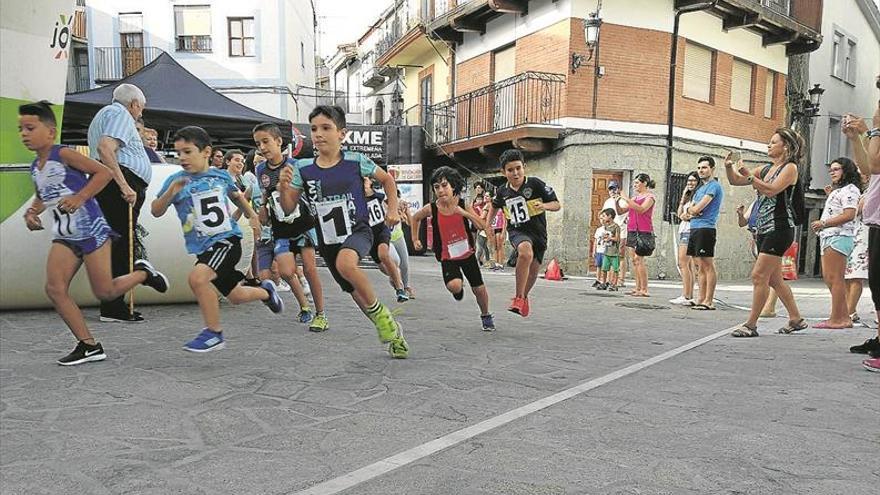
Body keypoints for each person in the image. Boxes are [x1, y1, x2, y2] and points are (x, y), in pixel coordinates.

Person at [20, 101, 169, 365]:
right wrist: (32, 212)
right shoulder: (36, 166)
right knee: (55, 289)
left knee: (106, 291)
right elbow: (44, 195)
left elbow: (104, 173)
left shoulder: (63, 154)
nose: (24, 134)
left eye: (30, 127)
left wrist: (79, 198)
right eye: (21, 129)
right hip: (65, 234)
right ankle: (88, 345)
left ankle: (143, 273)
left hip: (91, 227)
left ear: (51, 132)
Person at [278, 105, 409, 359]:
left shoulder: (355, 160)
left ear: (342, 133)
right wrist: (284, 187)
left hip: (359, 231)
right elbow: (288, 207)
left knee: (347, 264)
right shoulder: (303, 168)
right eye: (314, 128)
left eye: (326, 128)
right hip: (328, 240)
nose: (319, 134)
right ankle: (394, 331)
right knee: (355, 293)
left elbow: (388, 180)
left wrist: (392, 208)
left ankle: (383, 315)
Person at [151, 126, 283, 352]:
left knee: (197, 279)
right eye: (179, 152)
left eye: (188, 151)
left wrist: (252, 216)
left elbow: (237, 195)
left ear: (206, 152)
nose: (182, 158)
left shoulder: (219, 176)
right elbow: (156, 211)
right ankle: (266, 292)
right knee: (236, 295)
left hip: (225, 240)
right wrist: (170, 192)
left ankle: (214, 333)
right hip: (204, 248)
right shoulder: (176, 180)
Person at [725, 128, 806, 337]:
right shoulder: (766, 168)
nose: (768, 145)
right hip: (763, 228)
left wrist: (749, 176)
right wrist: (728, 167)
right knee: (775, 279)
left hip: (779, 228)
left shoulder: (790, 168)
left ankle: (751, 325)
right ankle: (795, 318)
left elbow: (770, 190)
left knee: (759, 275)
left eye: (773, 142)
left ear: (785, 146)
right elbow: (736, 180)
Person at [87, 83, 152, 323]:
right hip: (119, 185)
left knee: (117, 243)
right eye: (141, 108)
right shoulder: (119, 114)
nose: (141, 113)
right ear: (134, 104)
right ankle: (114, 306)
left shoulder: (104, 114)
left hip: (110, 184)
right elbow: (106, 148)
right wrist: (125, 186)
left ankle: (113, 303)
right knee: (122, 243)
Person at [253, 122, 328, 331]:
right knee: (286, 272)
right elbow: (266, 197)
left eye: (266, 141)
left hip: (303, 224)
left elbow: (311, 191)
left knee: (311, 269)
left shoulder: (297, 165)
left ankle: (321, 314)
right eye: (258, 144)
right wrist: (264, 208)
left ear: (278, 141)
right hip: (281, 228)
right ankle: (305, 307)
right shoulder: (260, 169)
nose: (263, 147)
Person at [411, 166, 495, 330]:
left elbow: (481, 225)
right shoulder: (432, 208)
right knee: (454, 286)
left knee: (479, 288)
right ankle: (458, 288)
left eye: (444, 185)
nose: (441, 190)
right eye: (436, 187)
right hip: (447, 256)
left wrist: (464, 213)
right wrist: (415, 239)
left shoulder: (463, 204)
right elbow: (415, 218)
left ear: (453, 186)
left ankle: (486, 315)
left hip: (467, 254)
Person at [486, 149, 561, 317]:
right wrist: (488, 225)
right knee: (525, 253)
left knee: (534, 270)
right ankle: (518, 296)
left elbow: (557, 204)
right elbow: (494, 206)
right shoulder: (502, 191)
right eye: (510, 170)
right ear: (503, 172)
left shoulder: (535, 184)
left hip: (539, 232)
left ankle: (524, 298)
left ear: (524, 167)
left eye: (518, 168)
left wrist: (544, 206)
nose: (515, 173)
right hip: (518, 230)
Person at [843, 98, 880, 371]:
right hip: (876, 218)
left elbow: (875, 165)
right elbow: (866, 168)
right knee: (877, 286)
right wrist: (856, 138)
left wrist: (874, 129)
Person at [811, 158, 861, 328]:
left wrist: (824, 223)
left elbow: (849, 214)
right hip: (829, 236)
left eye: (836, 169)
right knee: (829, 278)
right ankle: (842, 315)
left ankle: (838, 318)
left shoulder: (850, 190)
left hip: (839, 236)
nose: (832, 172)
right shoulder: (839, 190)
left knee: (836, 278)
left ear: (846, 171)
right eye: (831, 169)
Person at [685, 157, 724, 310]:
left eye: (704, 167)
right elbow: (688, 212)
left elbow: (696, 209)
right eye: (699, 168)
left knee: (707, 264)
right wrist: (692, 211)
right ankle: (701, 298)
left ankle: (709, 300)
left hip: (706, 228)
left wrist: (693, 211)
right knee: (699, 266)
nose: (701, 170)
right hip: (694, 228)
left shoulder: (714, 187)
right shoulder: (700, 189)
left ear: (712, 169)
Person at [363, 176, 409, 303]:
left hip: (382, 231)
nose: (364, 184)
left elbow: (388, 203)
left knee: (383, 254)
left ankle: (401, 289)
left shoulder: (377, 195)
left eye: (366, 181)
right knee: (385, 269)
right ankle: (395, 278)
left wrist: (395, 211)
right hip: (369, 238)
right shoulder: (356, 200)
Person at [620, 173, 656, 297]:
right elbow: (621, 210)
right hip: (632, 229)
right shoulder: (634, 198)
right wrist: (617, 199)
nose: (634, 185)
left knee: (639, 259)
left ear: (645, 183)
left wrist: (626, 198)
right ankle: (637, 287)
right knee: (634, 260)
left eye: (637, 183)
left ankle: (644, 289)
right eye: (634, 183)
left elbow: (641, 209)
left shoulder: (650, 197)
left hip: (643, 230)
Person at [670, 171, 699, 306]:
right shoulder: (688, 198)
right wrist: (683, 196)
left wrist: (684, 215)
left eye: (693, 181)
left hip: (690, 231)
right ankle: (689, 295)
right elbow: (680, 213)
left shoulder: (698, 197)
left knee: (682, 262)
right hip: (684, 230)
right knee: (689, 265)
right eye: (688, 181)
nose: (690, 183)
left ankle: (686, 295)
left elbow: (689, 215)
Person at [844, 174, 870, 324]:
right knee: (848, 274)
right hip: (852, 233)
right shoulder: (859, 192)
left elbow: (856, 212)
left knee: (856, 274)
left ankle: (850, 309)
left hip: (863, 234)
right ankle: (849, 309)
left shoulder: (869, 192)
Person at [603, 181, 629, 287]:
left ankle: (620, 280)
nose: (612, 191)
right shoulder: (607, 202)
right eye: (610, 189)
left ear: (618, 189)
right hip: (609, 232)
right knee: (609, 255)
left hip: (621, 231)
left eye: (614, 188)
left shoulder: (623, 202)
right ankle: (609, 279)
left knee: (620, 255)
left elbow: (622, 214)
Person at [599, 208, 621, 292]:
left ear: (610, 216)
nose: (603, 218)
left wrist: (610, 238)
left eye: (604, 216)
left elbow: (617, 239)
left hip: (614, 252)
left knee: (615, 269)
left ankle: (614, 284)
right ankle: (603, 282)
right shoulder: (606, 227)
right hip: (606, 251)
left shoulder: (616, 227)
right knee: (604, 268)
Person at [472, 184, 491, 266]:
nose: (477, 189)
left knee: (481, 244)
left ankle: (480, 260)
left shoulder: (486, 204)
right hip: (475, 223)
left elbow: (483, 216)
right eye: (476, 188)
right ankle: (483, 260)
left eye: (479, 187)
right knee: (478, 243)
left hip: (482, 224)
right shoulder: (474, 202)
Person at [489, 197, 507, 270]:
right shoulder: (492, 209)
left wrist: (503, 231)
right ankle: (496, 263)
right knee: (495, 246)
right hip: (493, 228)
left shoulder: (502, 209)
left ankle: (501, 263)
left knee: (500, 246)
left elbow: (505, 220)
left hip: (500, 228)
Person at [591, 221, 607, 288]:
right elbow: (596, 240)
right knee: (598, 266)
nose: (602, 220)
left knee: (605, 267)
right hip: (599, 250)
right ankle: (597, 279)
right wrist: (594, 250)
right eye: (601, 218)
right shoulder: (599, 229)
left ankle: (604, 281)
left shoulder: (609, 230)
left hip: (605, 251)